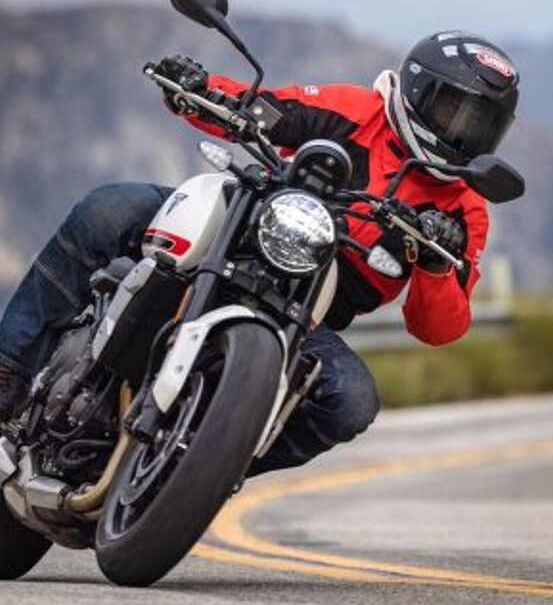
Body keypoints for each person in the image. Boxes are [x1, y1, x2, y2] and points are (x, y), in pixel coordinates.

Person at [0, 31, 519, 474]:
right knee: (111, 208)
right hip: (237, 233)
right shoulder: (356, 111)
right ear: (418, 92)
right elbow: (265, 109)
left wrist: (435, 264)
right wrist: (198, 87)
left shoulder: (465, 210)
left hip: (307, 317)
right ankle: (10, 368)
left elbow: (438, 327)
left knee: (351, 401)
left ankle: (201, 470)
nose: (464, 131)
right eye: (454, 111)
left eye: (481, 123)